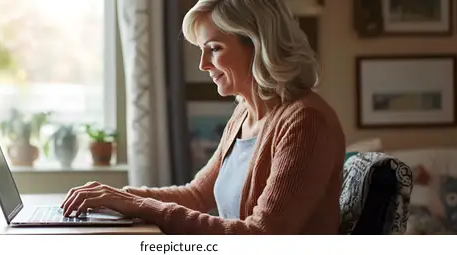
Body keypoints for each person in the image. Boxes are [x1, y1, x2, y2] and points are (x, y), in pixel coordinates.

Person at [61, 0, 345, 234]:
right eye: (202, 50)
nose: (203, 64)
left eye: (215, 48)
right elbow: (196, 195)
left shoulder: (306, 121)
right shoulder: (244, 114)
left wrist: (137, 205)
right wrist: (117, 197)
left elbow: (262, 234)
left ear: (258, 45)